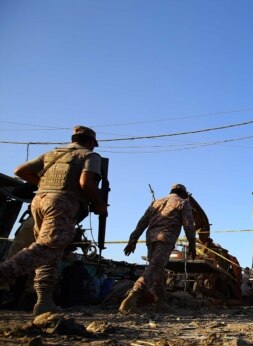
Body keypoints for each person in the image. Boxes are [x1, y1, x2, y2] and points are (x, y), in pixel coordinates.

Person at [0, 126, 107, 316]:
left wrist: (42, 184)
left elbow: (20, 170)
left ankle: (44, 301)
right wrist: (99, 204)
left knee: (51, 253)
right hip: (62, 203)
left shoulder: (52, 153)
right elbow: (86, 183)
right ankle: (5, 272)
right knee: (48, 247)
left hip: (38, 202)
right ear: (90, 142)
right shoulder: (89, 156)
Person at [119, 183, 197, 314]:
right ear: (183, 193)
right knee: (155, 268)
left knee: (158, 271)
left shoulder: (156, 202)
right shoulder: (183, 202)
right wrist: (192, 245)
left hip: (151, 239)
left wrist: (133, 240)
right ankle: (131, 298)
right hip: (165, 239)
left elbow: (142, 222)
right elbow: (189, 225)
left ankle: (160, 303)